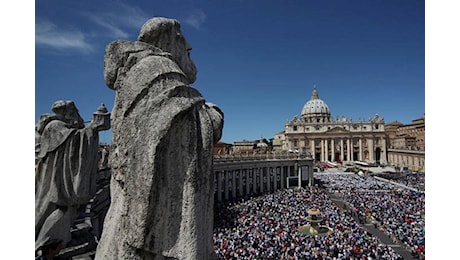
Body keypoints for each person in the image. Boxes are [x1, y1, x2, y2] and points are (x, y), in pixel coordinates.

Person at [95, 17, 224, 259]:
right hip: (150, 234)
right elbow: (190, 128)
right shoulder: (159, 70)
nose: (190, 47)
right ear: (170, 40)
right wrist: (215, 114)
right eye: (182, 39)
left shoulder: (138, 72)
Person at [35, 101, 110, 252]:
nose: (77, 115)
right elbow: (73, 140)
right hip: (54, 179)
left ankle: (57, 241)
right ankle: (44, 242)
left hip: (59, 177)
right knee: (48, 210)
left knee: (64, 211)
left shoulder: (61, 126)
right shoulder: (54, 126)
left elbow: (74, 138)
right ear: (67, 111)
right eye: (74, 111)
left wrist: (90, 129)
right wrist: (92, 129)